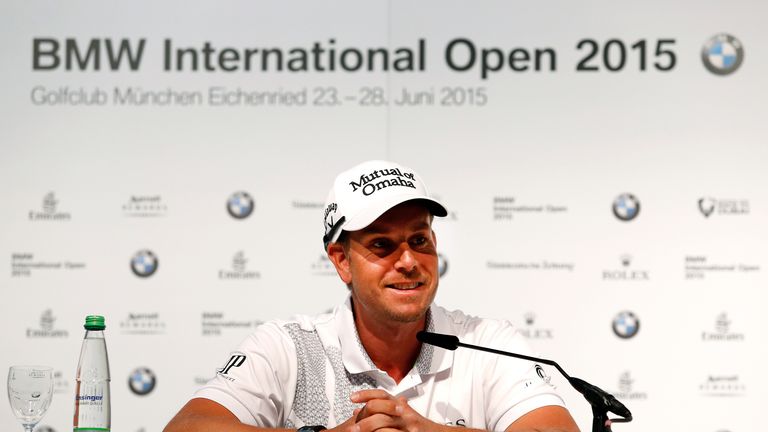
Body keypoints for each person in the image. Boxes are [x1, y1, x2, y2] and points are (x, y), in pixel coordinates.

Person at [164, 160, 580, 432]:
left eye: (419, 240)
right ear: (341, 260)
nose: (408, 261)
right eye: (382, 246)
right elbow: (188, 427)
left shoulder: (489, 343)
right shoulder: (288, 344)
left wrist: (423, 430)